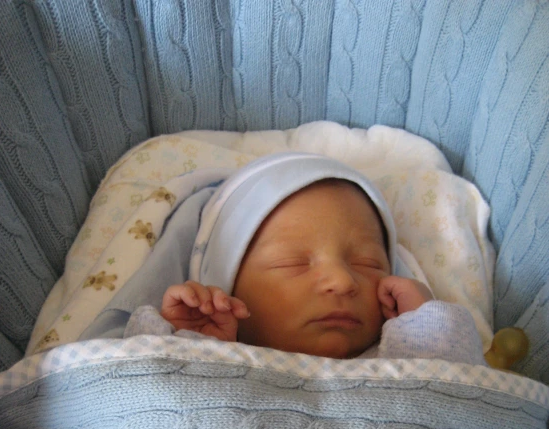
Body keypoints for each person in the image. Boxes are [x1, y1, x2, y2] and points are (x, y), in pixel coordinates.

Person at [125, 152, 486, 364]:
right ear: (223, 284)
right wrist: (189, 342)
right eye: (291, 262)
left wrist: (429, 326)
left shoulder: (405, 358)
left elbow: (463, 400)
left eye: (369, 264)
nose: (343, 282)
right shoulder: (214, 360)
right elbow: (140, 401)